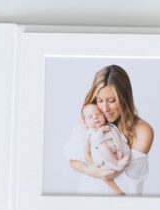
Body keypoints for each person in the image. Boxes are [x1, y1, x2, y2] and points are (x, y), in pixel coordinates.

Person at [66, 64, 154, 196]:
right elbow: (73, 159)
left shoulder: (143, 131)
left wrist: (97, 172)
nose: (104, 109)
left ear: (125, 98)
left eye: (112, 100)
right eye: (100, 100)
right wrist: (88, 170)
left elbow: (124, 185)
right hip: (88, 196)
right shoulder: (91, 117)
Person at [80, 102, 131, 172]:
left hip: (119, 154)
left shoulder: (110, 126)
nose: (95, 117)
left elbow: (118, 137)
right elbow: (86, 153)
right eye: (90, 116)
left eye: (98, 113)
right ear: (85, 122)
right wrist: (94, 164)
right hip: (104, 161)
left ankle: (121, 158)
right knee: (101, 145)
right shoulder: (90, 133)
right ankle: (116, 163)